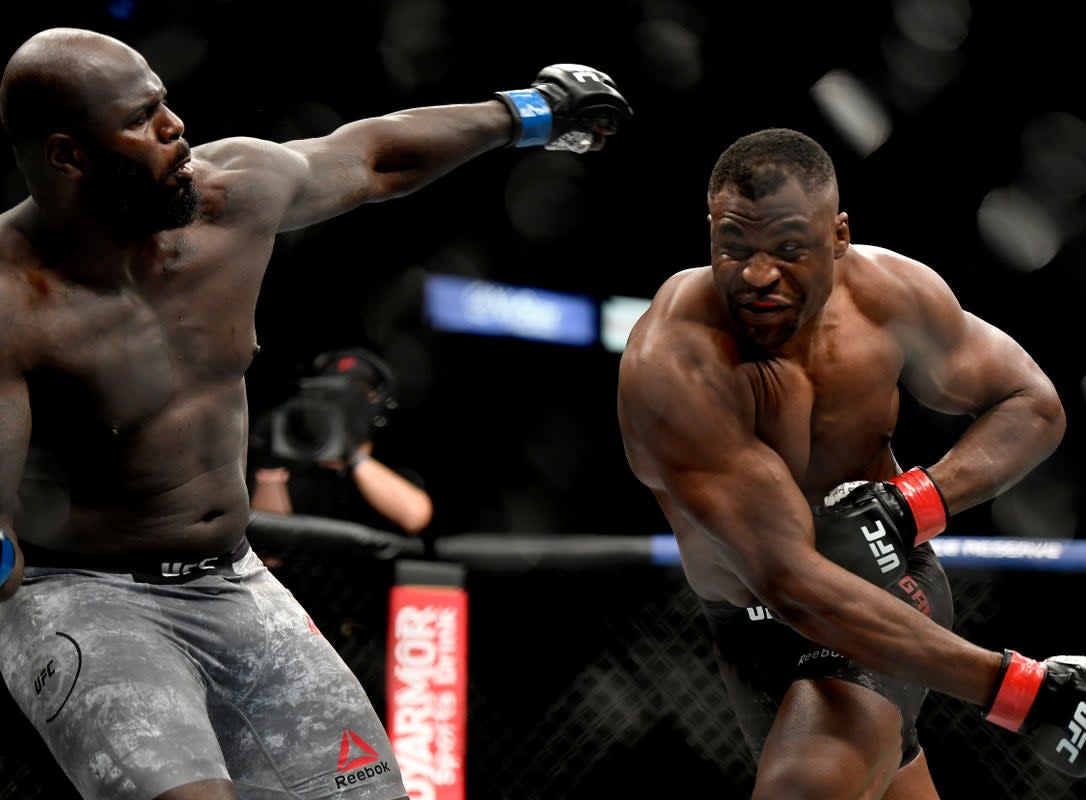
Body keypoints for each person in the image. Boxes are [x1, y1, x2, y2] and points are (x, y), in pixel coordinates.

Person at [0, 26, 631, 800]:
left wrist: (533, 111)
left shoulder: (227, 196)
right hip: (85, 595)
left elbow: (373, 158)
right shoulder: (11, 302)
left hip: (233, 582)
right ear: (68, 156)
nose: (176, 128)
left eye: (165, 102)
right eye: (141, 118)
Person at [616, 127, 1086, 799]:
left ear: (838, 236)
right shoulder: (676, 360)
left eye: (788, 247)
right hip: (753, 620)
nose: (756, 274)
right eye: (734, 245)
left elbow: (1032, 403)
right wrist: (1019, 688)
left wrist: (913, 502)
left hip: (885, 579)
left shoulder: (890, 297)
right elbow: (789, 582)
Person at [249, 347, 434, 536]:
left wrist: (353, 457)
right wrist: (270, 465)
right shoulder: (296, 458)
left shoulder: (394, 458)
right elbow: (268, 546)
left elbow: (415, 517)